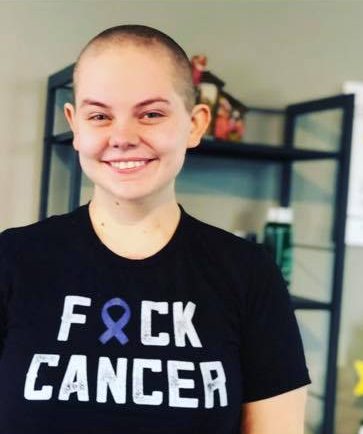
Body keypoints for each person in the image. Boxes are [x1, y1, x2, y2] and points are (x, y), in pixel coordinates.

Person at [0, 25, 310, 434]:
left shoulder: (249, 273)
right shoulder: (13, 260)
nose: (122, 137)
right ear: (75, 126)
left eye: (151, 114)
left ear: (195, 124)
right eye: (99, 116)